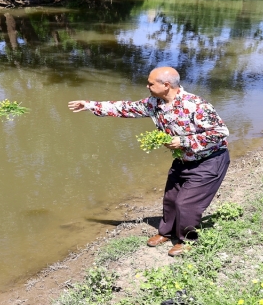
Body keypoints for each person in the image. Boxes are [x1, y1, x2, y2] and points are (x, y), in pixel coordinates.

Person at [68, 67, 230, 257]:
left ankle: (187, 240)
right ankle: (166, 233)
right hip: (183, 159)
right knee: (171, 200)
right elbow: (125, 108)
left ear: (166, 85)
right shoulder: (155, 103)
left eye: (151, 83)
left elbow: (220, 132)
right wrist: (89, 105)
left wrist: (184, 141)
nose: (147, 86)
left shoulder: (195, 105)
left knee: (187, 204)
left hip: (209, 160)